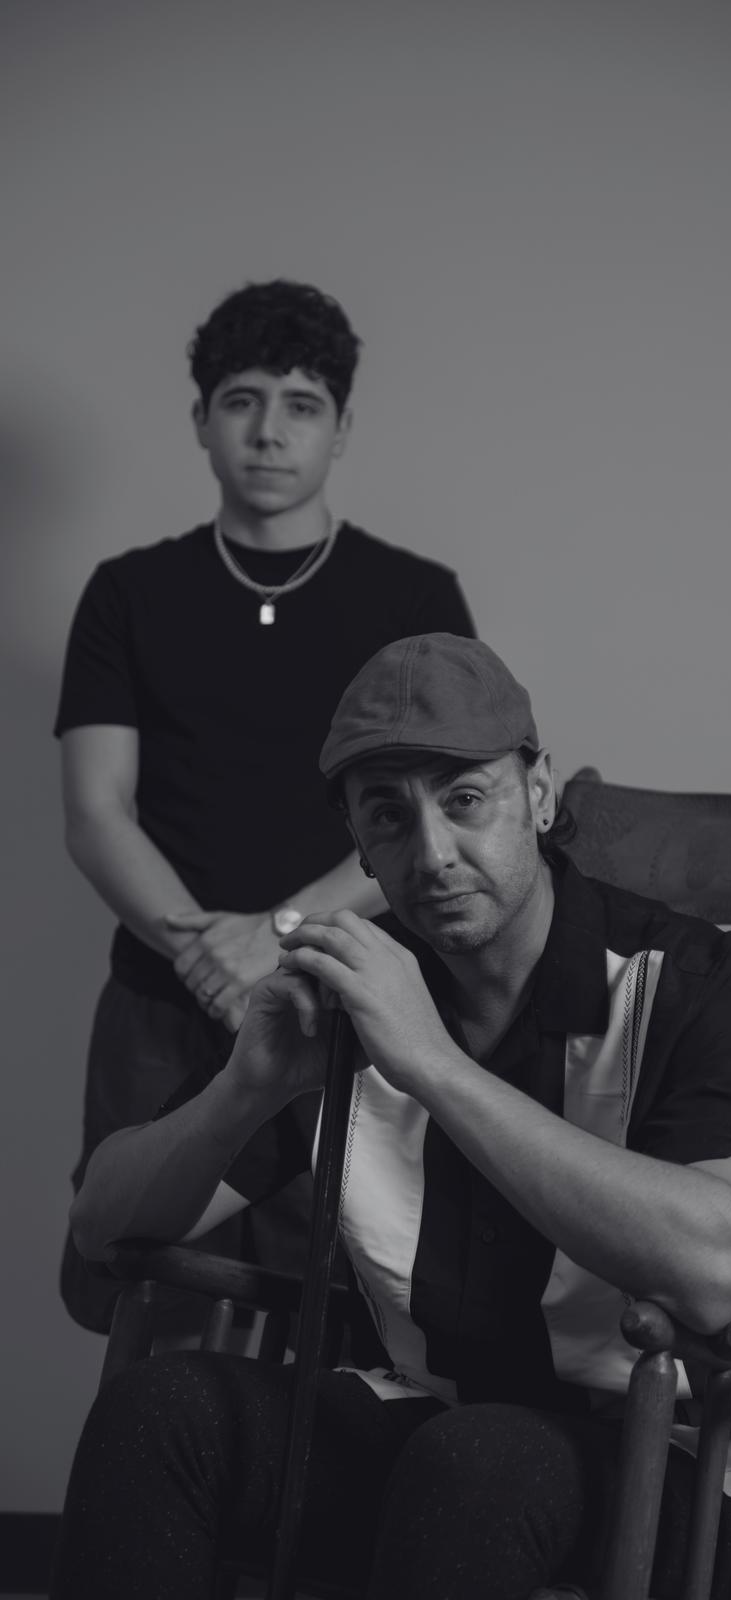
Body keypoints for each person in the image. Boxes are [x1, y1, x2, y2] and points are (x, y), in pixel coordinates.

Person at [53, 632, 731, 1600]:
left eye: (465, 800)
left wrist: (432, 1064)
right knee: (160, 1410)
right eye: (388, 815)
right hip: (422, 1427)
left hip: (672, 1446)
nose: (433, 854)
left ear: (538, 793)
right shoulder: (349, 991)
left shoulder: (694, 982)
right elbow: (102, 1227)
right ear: (359, 843)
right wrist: (246, 1089)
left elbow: (717, 1270)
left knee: (477, 1462)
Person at [55, 282, 475, 1332]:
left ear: (341, 427)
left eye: (301, 404)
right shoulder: (127, 592)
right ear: (202, 419)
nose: (269, 431)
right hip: (159, 999)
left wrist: (277, 937)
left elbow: (439, 814)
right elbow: (97, 812)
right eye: (242, 401)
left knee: (330, 1308)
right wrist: (209, 955)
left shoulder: (413, 597)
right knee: (134, 1283)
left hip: (343, 992)